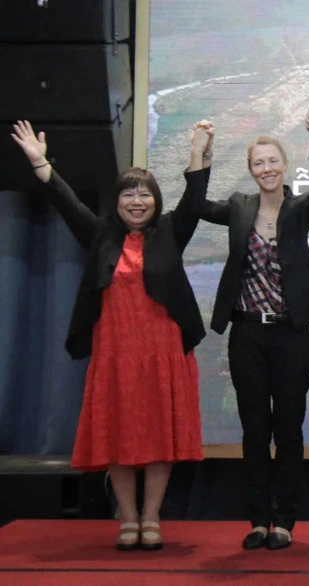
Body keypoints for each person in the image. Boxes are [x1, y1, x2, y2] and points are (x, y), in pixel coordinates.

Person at [10, 120, 211, 551]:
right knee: (118, 435)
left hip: (163, 351)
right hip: (115, 351)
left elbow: (194, 201)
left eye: (144, 194)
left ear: (155, 202)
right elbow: (65, 203)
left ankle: (152, 517)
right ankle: (129, 517)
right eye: (128, 193)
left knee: (159, 438)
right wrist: (40, 162)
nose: (137, 201)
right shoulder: (100, 234)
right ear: (116, 201)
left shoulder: (172, 232)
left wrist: (197, 152)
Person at [199, 107, 309, 551]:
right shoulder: (239, 208)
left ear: (284, 165)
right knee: (254, 428)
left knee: (289, 429)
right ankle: (258, 519)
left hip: (292, 335)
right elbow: (198, 206)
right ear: (251, 170)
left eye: (272, 161)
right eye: (258, 163)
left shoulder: (300, 209)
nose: (266, 168)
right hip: (248, 336)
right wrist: (201, 156)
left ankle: (285, 520)